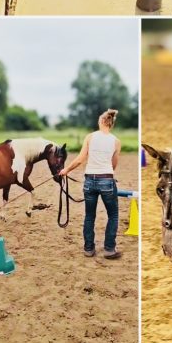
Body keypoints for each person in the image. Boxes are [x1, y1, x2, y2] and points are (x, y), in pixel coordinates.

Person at [59, 108, 122, 259]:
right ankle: (109, 249)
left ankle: (88, 248)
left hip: (89, 181)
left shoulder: (90, 137)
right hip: (107, 180)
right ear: (111, 123)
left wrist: (66, 170)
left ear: (102, 121)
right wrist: (108, 175)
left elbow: (80, 159)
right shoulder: (116, 141)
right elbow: (114, 164)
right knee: (113, 215)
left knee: (89, 216)